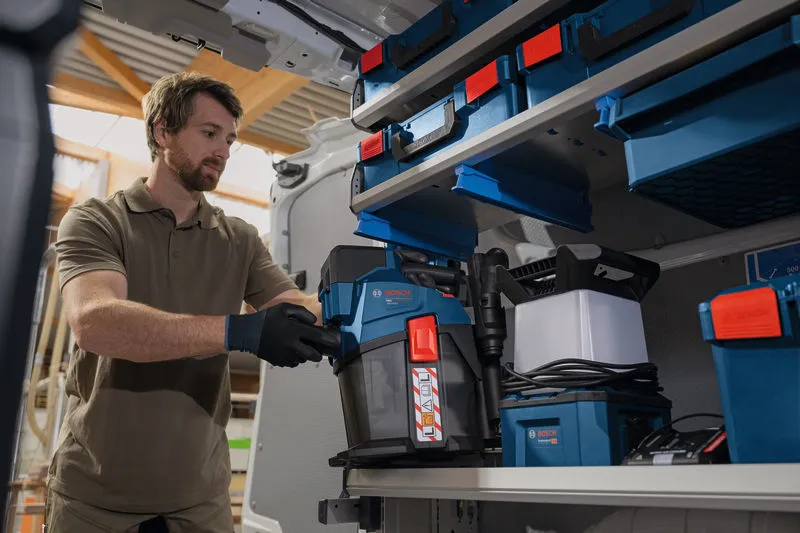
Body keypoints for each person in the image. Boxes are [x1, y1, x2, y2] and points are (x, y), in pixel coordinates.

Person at [45, 72, 339, 532]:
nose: (223, 151)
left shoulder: (238, 238)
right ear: (163, 131)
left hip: (199, 504)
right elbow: (95, 322)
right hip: (93, 503)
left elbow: (294, 306)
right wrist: (236, 330)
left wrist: (365, 294)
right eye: (209, 133)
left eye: (230, 139)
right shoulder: (96, 221)